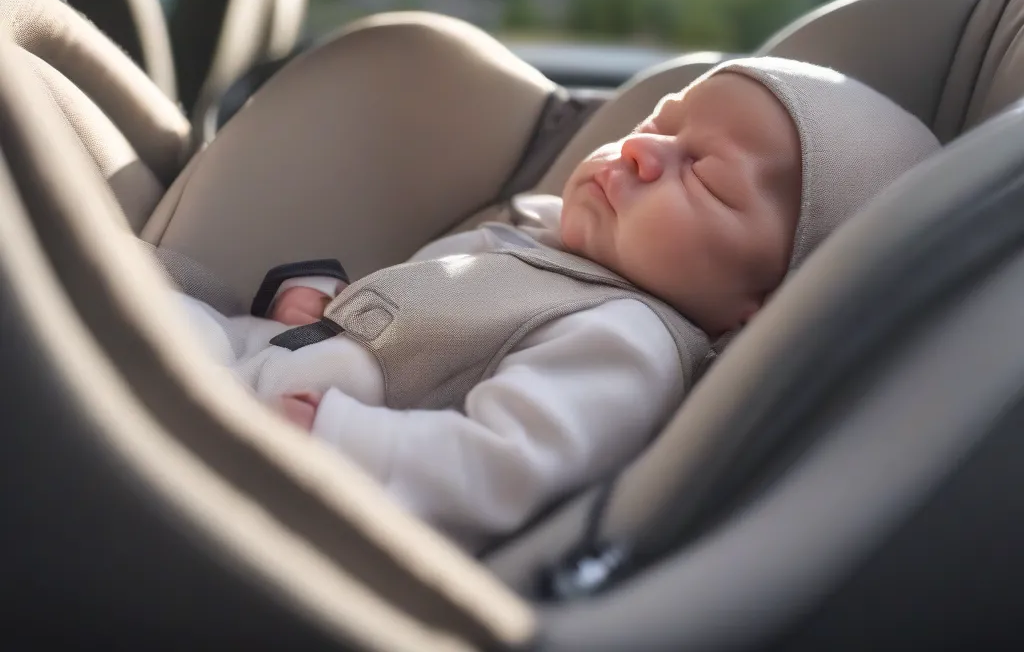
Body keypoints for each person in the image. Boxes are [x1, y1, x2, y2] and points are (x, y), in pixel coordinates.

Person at [172, 57, 939, 551]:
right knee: (149, 281)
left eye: (704, 175)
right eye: (658, 125)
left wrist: (336, 437)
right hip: (256, 368)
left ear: (762, 305)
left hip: (286, 459)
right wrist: (322, 309)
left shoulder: (626, 340)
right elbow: (419, 333)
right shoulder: (542, 244)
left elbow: (503, 468)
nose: (641, 149)